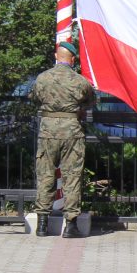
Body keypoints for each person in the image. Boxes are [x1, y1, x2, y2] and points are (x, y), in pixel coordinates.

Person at [32, 40, 97, 238]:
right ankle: (70, 225)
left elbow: (34, 98)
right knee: (72, 176)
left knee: (45, 175)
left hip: (48, 131)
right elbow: (90, 101)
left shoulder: (42, 78)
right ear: (73, 60)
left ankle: (42, 224)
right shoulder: (80, 81)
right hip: (72, 131)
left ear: (55, 56)